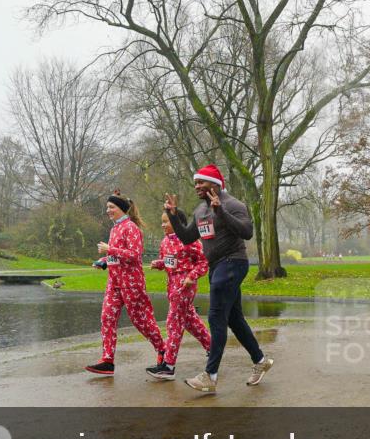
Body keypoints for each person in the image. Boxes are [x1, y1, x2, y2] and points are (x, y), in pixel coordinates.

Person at [165, 164, 273, 394]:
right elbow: (186, 237)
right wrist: (174, 217)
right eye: (195, 183)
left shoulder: (234, 204)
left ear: (215, 184)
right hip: (216, 267)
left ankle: (210, 375)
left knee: (215, 316)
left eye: (201, 182)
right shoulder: (200, 210)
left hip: (233, 262)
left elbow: (247, 232)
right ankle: (261, 360)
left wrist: (221, 212)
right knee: (234, 319)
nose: (197, 187)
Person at [86, 191, 167, 375]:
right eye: (107, 207)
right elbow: (115, 255)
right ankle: (107, 360)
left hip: (131, 283)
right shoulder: (114, 229)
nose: (108, 210)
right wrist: (104, 261)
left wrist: (110, 249)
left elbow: (135, 254)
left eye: (111, 207)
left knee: (141, 321)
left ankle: (163, 350)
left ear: (121, 209)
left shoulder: (131, 228)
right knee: (106, 318)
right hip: (114, 283)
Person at [145, 210, 212, 380]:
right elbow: (169, 262)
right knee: (190, 320)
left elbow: (204, 261)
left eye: (166, 221)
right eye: (162, 221)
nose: (162, 225)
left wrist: (192, 276)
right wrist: (159, 264)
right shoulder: (165, 242)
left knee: (173, 322)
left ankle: (168, 366)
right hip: (171, 285)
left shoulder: (190, 241)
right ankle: (213, 349)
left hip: (184, 286)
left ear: (177, 223)